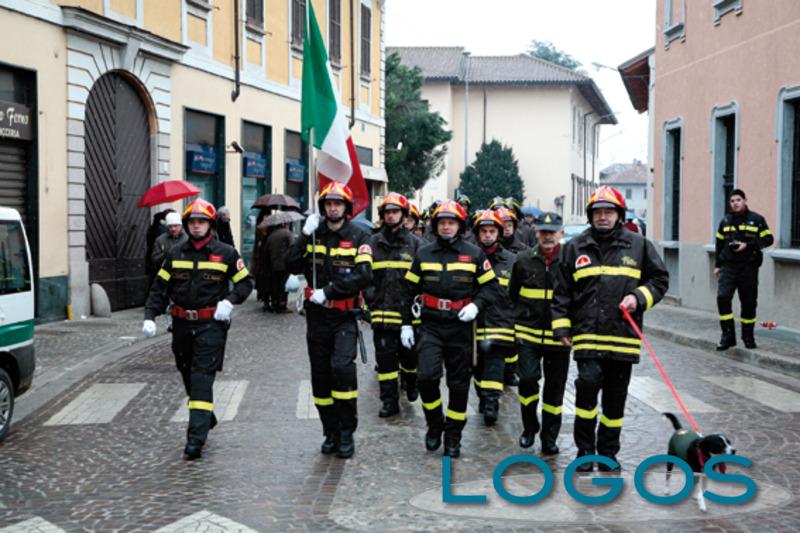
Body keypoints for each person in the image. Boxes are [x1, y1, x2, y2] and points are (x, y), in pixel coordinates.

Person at [551, 186, 668, 472]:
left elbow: (660, 281)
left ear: (619, 215)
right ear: (591, 216)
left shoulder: (639, 246)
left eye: (609, 212)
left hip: (622, 339)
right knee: (586, 391)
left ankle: (608, 454)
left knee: (615, 401)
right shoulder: (574, 247)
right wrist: (562, 327)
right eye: (598, 212)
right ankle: (585, 452)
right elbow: (561, 291)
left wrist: (638, 298)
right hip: (588, 337)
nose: (603, 217)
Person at [142, 199, 253, 459]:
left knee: (202, 377)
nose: (196, 226)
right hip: (181, 324)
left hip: (210, 325)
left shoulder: (226, 253)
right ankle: (206, 417)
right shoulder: (175, 254)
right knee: (187, 373)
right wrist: (149, 315)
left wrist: (229, 301)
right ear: (186, 225)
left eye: (201, 222)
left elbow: (246, 283)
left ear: (210, 225)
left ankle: (195, 439)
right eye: (192, 222)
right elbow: (160, 288)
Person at [403, 200, 501, 458]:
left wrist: (477, 307)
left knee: (459, 385)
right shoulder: (423, 254)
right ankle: (435, 423)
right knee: (426, 377)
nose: (446, 227)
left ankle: (454, 434)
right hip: (431, 326)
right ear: (435, 226)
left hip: (461, 327)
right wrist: (406, 325)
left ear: (460, 225)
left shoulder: (474, 254)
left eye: (451, 222)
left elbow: (491, 287)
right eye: (442, 222)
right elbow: (409, 290)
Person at [286, 182, 373, 459]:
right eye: (328, 204)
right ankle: (330, 430)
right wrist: (303, 235)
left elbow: (364, 275)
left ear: (346, 208)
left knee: (342, 369)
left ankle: (347, 431)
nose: (332, 208)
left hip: (344, 316)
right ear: (322, 207)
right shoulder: (314, 235)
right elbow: (288, 264)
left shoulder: (360, 236)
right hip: (317, 318)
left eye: (338, 204)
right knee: (320, 377)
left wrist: (330, 291)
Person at [509, 212, 570, 454]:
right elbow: (512, 295)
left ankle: (549, 437)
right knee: (527, 381)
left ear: (561, 234)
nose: (547, 237)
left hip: (559, 337)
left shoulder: (569, 260)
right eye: (543, 232)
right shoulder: (523, 260)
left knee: (555, 388)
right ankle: (529, 428)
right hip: (528, 335)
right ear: (536, 233)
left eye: (552, 232)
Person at [366, 192, 423, 417]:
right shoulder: (372, 243)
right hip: (381, 314)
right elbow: (365, 275)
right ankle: (389, 401)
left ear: (403, 214)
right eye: (387, 212)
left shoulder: (417, 245)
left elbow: (423, 280)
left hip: (408, 316)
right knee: (386, 363)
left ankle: (411, 381)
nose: (391, 216)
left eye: (395, 212)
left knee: (409, 359)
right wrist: (369, 298)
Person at [470, 210, 516, 426]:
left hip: (501, 324)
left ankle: (491, 403)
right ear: (477, 234)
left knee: (494, 366)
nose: (488, 235)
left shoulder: (512, 262)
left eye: (492, 231)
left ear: (499, 233)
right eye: (484, 231)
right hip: (473, 324)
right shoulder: (468, 257)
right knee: (477, 370)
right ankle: (483, 395)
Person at [714, 189, 773, 350]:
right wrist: (718, 265)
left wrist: (748, 245)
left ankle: (748, 337)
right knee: (723, 298)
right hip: (728, 267)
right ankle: (728, 337)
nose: (735, 203)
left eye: (738, 200)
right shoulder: (725, 221)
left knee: (748, 303)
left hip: (748, 267)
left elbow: (768, 239)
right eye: (732, 201)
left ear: (745, 200)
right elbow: (719, 244)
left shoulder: (757, 219)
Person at [265, 222, 295, 313]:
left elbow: (266, 251)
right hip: (285, 265)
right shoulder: (287, 233)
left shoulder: (271, 236)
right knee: (284, 286)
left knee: (275, 285)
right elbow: (293, 246)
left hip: (273, 265)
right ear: (284, 224)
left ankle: (275, 304)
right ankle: (282, 306)